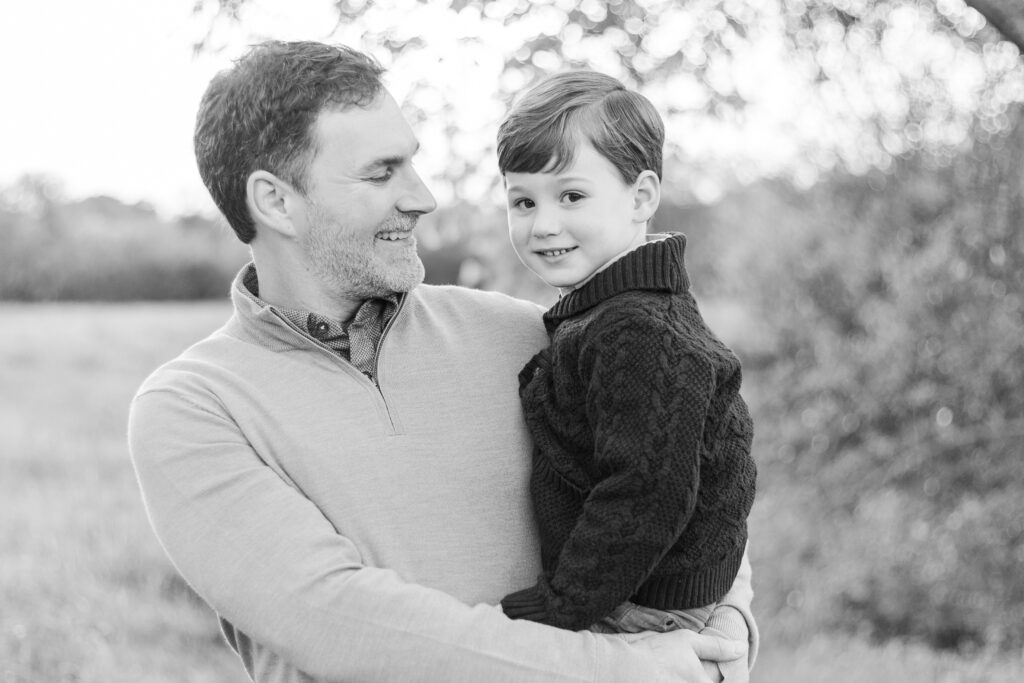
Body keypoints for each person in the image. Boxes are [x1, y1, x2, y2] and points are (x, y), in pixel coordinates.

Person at [127, 41, 758, 683]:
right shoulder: (193, 409)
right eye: (382, 173)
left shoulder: (526, 333)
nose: (423, 198)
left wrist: (723, 636)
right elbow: (337, 623)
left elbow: (689, 477)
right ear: (277, 202)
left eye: (413, 166)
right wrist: (618, 669)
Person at [493, 72, 757, 680]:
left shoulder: (636, 328)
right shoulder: (611, 311)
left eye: (571, 197)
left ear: (640, 198)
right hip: (641, 594)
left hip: (642, 611)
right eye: (523, 201)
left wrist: (560, 606)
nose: (543, 225)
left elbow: (647, 490)